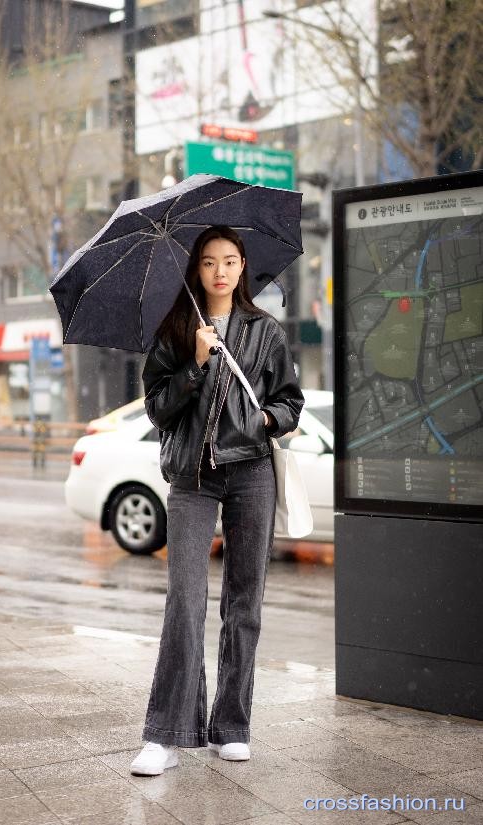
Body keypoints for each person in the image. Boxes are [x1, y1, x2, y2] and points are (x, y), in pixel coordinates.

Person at [130, 224, 304, 776]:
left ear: (243, 266)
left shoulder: (265, 332)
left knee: (244, 601)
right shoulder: (178, 329)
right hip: (192, 478)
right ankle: (167, 732)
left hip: (251, 472)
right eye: (209, 262)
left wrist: (270, 417)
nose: (221, 271)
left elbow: (290, 403)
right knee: (184, 598)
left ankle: (232, 725)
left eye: (230, 260)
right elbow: (158, 408)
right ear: (196, 270)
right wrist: (195, 365)